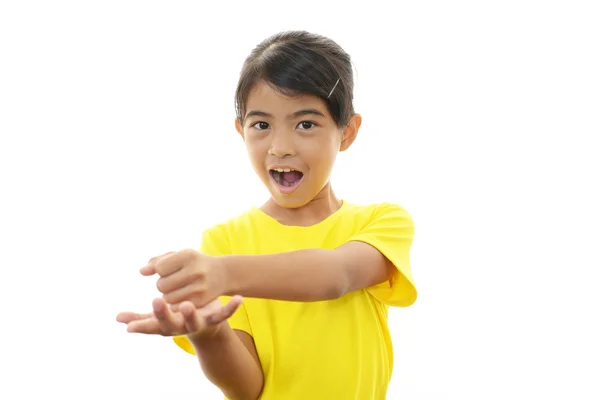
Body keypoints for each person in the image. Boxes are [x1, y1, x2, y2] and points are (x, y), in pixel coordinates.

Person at [117, 30, 418, 400]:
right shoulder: (223, 242)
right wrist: (209, 334)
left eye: (305, 124)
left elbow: (334, 275)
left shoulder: (381, 223)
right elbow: (247, 388)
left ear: (347, 132)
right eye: (261, 125)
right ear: (241, 131)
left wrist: (224, 274)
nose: (281, 147)